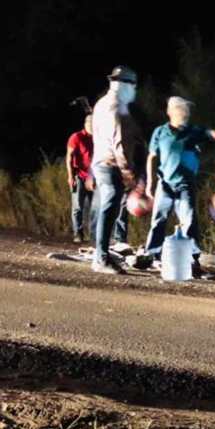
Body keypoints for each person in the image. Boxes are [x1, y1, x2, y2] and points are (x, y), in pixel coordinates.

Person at [143, 97, 215, 277]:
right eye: (180, 110)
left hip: (185, 184)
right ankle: (153, 255)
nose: (184, 114)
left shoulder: (194, 132)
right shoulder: (160, 132)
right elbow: (152, 157)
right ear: (170, 112)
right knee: (159, 219)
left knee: (189, 221)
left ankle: (192, 260)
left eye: (186, 111)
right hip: (165, 184)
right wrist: (150, 183)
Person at [90, 65, 142, 274]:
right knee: (109, 208)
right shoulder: (116, 107)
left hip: (100, 161)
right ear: (126, 86)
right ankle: (101, 258)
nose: (134, 92)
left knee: (106, 208)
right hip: (110, 164)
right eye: (133, 87)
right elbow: (119, 142)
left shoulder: (101, 103)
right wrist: (127, 171)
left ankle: (102, 252)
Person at [65, 114, 95, 243]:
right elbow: (69, 157)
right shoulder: (76, 137)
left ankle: (94, 234)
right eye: (92, 124)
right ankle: (78, 233)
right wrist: (70, 176)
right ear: (86, 124)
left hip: (94, 178)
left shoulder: (98, 138)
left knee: (95, 207)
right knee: (78, 206)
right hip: (80, 176)